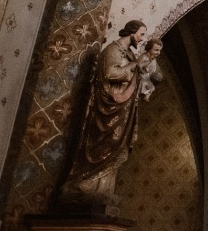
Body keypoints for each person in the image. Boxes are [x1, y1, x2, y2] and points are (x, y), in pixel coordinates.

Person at [58, 20, 164, 209]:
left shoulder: (131, 54)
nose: (142, 39)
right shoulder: (112, 51)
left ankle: (103, 189)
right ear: (131, 33)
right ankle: (84, 185)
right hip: (107, 107)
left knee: (117, 145)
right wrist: (134, 66)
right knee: (104, 143)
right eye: (141, 34)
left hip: (123, 107)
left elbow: (138, 75)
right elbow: (110, 73)